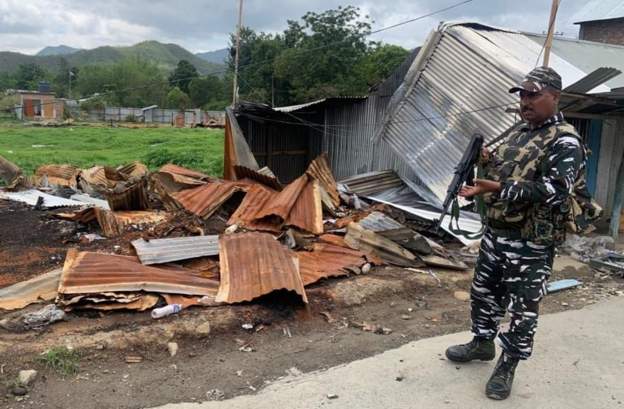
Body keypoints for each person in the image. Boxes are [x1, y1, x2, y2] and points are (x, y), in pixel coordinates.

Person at [445, 66, 586, 400]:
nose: (525, 101)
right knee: (483, 292)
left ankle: (508, 364)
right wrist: (487, 163)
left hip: (531, 242)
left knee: (523, 309)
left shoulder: (565, 140)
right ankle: (482, 344)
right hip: (497, 234)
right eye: (522, 94)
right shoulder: (521, 133)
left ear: (555, 96)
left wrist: (497, 186)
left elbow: (555, 190)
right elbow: (506, 172)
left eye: (533, 94)